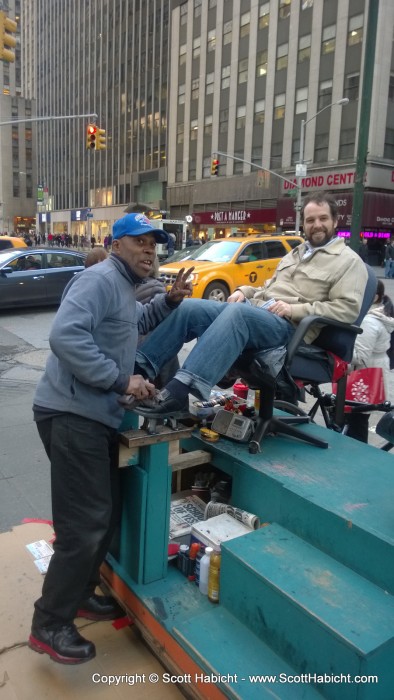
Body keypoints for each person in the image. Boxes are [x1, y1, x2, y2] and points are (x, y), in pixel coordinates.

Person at [28, 212, 193, 665]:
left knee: (107, 511)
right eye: (139, 242)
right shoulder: (99, 279)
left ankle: (80, 596)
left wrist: (170, 303)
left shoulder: (122, 287)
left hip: (93, 416)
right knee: (85, 521)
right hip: (70, 414)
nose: (149, 251)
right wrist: (120, 381)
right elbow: (65, 336)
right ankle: (49, 624)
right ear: (115, 244)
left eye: (154, 245)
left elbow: (135, 321)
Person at [133, 191, 369, 419]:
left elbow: (346, 309)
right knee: (189, 308)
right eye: (310, 220)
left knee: (238, 314)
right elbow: (266, 289)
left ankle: (178, 393)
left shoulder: (348, 262)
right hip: (259, 315)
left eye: (322, 218)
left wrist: (294, 309)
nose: (316, 224)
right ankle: (136, 372)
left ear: (336, 221)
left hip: (291, 328)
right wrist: (242, 291)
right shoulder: (295, 254)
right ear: (304, 224)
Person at [345, 280, 394, 443]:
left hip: (364, 375)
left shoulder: (369, 321)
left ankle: (355, 457)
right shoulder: (377, 317)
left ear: (373, 297)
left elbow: (360, 355)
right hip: (373, 373)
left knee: (356, 420)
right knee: (358, 418)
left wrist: (338, 349)